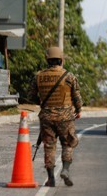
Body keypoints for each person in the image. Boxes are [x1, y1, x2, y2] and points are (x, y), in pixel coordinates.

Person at [29, 46, 82, 187]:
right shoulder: (69, 76)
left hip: (46, 118)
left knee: (49, 147)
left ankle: (51, 178)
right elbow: (77, 97)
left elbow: (31, 97)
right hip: (65, 118)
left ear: (47, 59)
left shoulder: (38, 76)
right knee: (68, 143)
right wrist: (78, 109)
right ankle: (65, 170)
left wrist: (43, 104)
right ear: (61, 60)